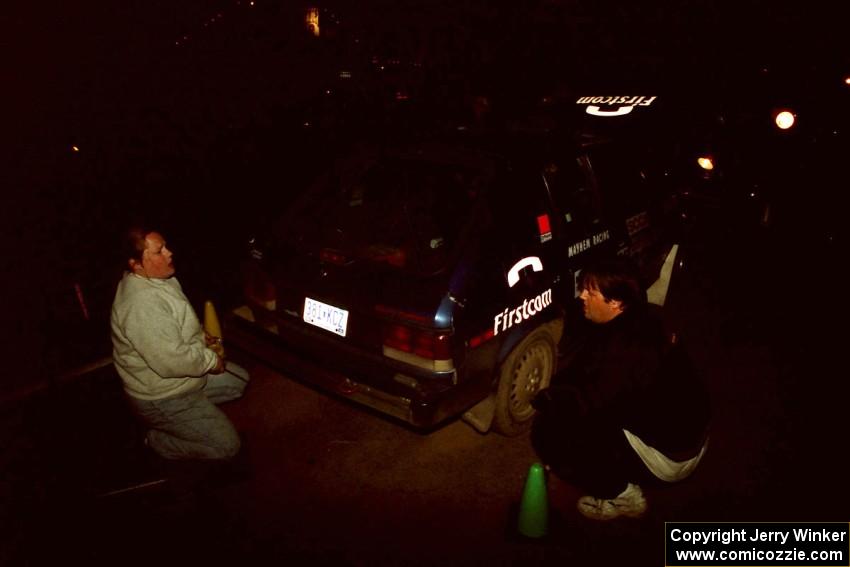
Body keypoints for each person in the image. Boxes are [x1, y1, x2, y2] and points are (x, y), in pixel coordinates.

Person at [531, 256, 710, 520]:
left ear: (615, 302)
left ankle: (623, 497)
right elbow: (587, 369)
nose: (581, 296)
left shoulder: (624, 349)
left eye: (590, 292)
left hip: (671, 458)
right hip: (693, 440)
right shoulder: (646, 317)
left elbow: (590, 400)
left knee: (552, 434)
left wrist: (546, 399)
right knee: (592, 409)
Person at [111, 226, 249, 461]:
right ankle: (157, 439)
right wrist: (211, 361)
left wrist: (199, 335)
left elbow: (175, 325)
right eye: (159, 251)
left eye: (165, 246)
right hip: (164, 397)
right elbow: (171, 361)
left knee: (240, 382)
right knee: (228, 446)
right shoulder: (141, 306)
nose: (169, 253)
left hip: (186, 380)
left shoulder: (159, 278)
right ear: (136, 265)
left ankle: (195, 418)